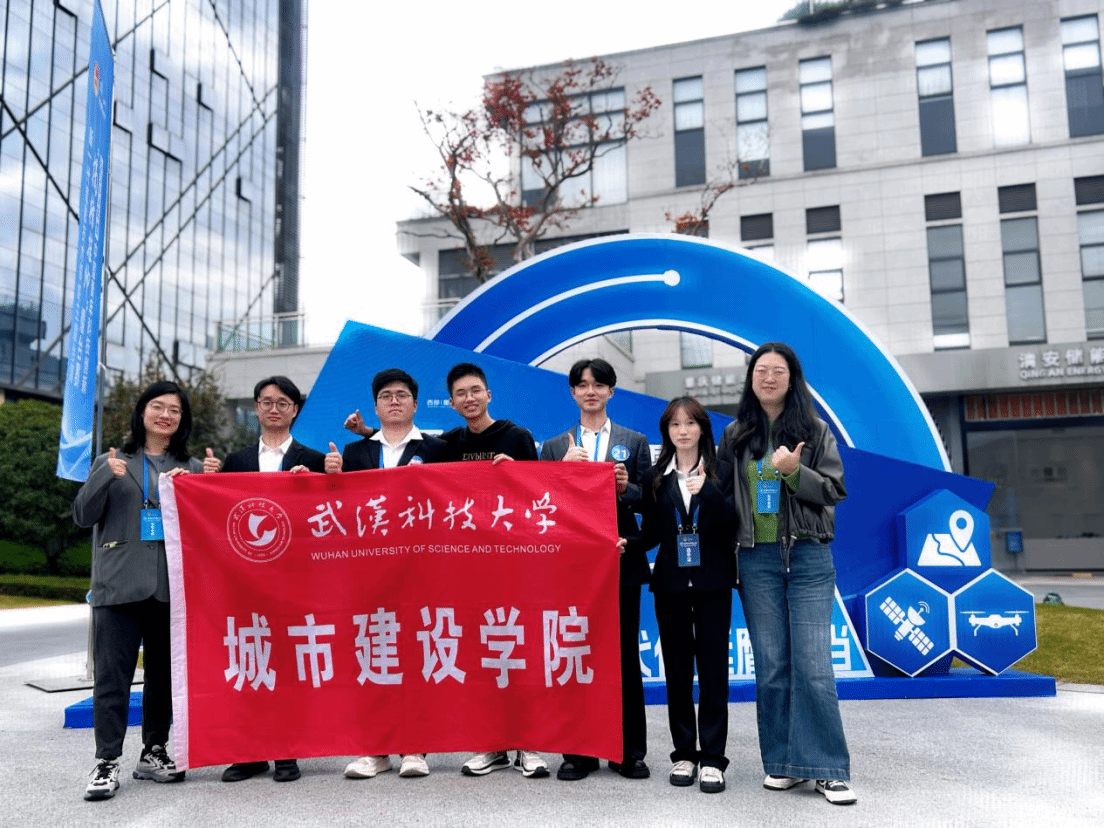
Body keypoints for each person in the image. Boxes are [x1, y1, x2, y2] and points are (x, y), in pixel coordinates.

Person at [717, 342, 855, 805]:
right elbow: (721, 495)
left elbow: (834, 489)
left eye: (778, 371)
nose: (769, 378)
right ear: (751, 379)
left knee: (813, 665)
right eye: (761, 370)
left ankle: (827, 769)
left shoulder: (815, 430)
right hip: (756, 560)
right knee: (772, 667)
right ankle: (782, 763)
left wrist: (795, 473)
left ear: (792, 379)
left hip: (808, 556)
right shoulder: (735, 433)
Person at [72, 380, 217, 801]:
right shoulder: (112, 460)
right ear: (142, 412)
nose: (165, 415)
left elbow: (209, 528)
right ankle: (106, 760)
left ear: (182, 420)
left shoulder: (191, 466)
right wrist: (104, 476)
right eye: (158, 406)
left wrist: (208, 484)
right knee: (112, 678)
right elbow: (82, 515)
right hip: (118, 585)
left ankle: (154, 750)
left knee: (163, 678)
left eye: (175, 410)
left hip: (171, 588)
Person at [539, 358, 652, 782]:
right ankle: (579, 751)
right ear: (572, 392)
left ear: (611, 391)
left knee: (623, 657)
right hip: (572, 568)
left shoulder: (634, 441)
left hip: (621, 562)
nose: (591, 391)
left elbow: (650, 501)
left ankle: (628, 751)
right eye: (583, 385)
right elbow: (543, 506)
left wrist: (626, 488)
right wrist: (562, 473)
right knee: (577, 655)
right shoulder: (554, 447)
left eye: (599, 384)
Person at [332, 368, 445, 780]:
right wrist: (330, 476)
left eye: (401, 395)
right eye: (385, 396)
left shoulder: (437, 448)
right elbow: (339, 508)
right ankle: (375, 750)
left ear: (415, 403)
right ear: (376, 406)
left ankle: (415, 748)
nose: (393, 401)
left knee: (416, 656)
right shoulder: (355, 452)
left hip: (420, 569)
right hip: (369, 570)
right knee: (373, 654)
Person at [215, 376, 326, 784]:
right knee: (251, 663)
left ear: (295, 409)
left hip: (296, 581)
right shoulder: (235, 461)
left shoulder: (314, 459)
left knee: (288, 665)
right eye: (266, 402)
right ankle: (250, 752)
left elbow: (331, 516)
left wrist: (320, 482)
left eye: (282, 402)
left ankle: (286, 749)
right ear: (257, 408)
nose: (274, 408)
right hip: (245, 582)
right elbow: (217, 517)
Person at [439, 362, 547, 779]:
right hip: (470, 568)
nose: (469, 399)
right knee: (481, 655)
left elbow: (541, 497)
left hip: (515, 565)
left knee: (520, 651)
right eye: (460, 394)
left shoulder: (517, 437)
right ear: (451, 403)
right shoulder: (449, 442)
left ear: (488, 395)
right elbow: (407, 458)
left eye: (475, 391)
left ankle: (529, 744)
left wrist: (516, 474)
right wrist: (364, 433)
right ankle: (491, 745)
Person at [635, 396, 736, 794]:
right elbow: (652, 533)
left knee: (713, 673)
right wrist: (623, 541)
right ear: (666, 431)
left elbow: (732, 526)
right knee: (677, 673)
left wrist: (708, 491)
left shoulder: (722, 471)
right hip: (671, 586)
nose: (682, 431)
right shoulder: (655, 477)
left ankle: (712, 758)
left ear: (702, 428)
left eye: (690, 423)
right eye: (675, 424)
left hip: (713, 585)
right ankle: (683, 754)